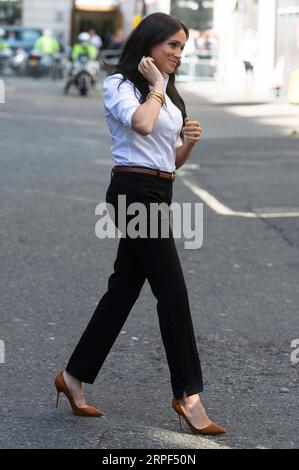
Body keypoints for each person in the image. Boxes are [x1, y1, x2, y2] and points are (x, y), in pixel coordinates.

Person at [55, 12, 226, 436]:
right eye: (172, 45)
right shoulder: (120, 85)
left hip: (158, 190)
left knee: (123, 290)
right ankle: (187, 395)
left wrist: (187, 142)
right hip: (132, 191)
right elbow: (142, 124)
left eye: (183, 48)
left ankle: (72, 377)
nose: (178, 54)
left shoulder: (166, 92)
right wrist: (156, 89)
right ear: (149, 43)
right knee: (172, 291)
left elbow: (169, 161)